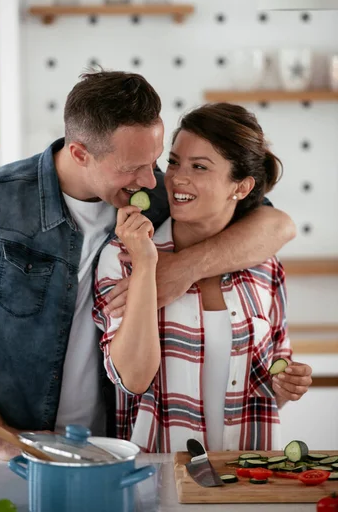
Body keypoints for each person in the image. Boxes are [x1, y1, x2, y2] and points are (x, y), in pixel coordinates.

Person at [0, 71, 294, 457]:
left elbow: (274, 225)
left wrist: (184, 268)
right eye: (132, 167)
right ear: (80, 153)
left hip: (105, 451)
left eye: (156, 162)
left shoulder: (155, 199)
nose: (153, 181)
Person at [93, 103, 311, 453]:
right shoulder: (122, 259)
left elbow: (268, 387)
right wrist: (147, 266)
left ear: (240, 187)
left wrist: (287, 385)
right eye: (174, 162)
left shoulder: (266, 267)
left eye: (199, 167)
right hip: (156, 484)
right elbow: (131, 380)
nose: (177, 178)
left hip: (245, 484)